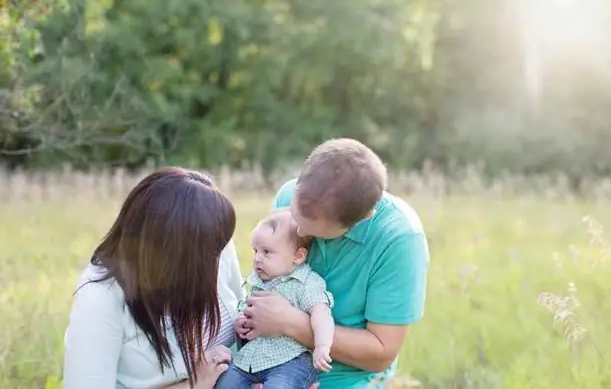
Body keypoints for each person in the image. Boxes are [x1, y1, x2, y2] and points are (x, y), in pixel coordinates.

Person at [238, 138, 430, 388]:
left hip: (344, 378)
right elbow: (267, 284)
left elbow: (381, 353)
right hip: (272, 362)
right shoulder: (288, 195)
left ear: (363, 218)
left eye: (312, 229)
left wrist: (289, 323)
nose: (297, 228)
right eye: (296, 212)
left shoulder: (399, 239)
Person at [62, 167, 244, 389]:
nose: (218, 258)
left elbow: (242, 315)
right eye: (209, 253)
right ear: (169, 254)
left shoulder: (213, 241)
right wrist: (193, 385)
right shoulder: (101, 297)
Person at [214, 209, 334, 389]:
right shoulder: (258, 281)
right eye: (255, 251)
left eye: (267, 252)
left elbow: (322, 315)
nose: (257, 259)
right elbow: (248, 309)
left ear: (298, 256)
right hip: (252, 358)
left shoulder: (307, 283)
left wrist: (322, 346)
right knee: (224, 384)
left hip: (292, 360)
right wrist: (242, 321)